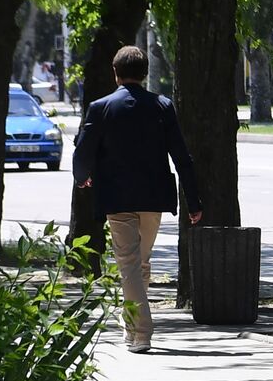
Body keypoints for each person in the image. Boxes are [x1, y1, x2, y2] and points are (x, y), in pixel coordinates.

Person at [72, 45, 203, 354]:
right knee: (136, 263)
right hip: (153, 198)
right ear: (144, 74)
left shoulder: (100, 107)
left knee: (134, 264)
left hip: (117, 198)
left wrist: (82, 177)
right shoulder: (162, 106)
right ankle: (134, 327)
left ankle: (140, 332)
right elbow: (182, 157)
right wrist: (194, 201)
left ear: (115, 73)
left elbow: (83, 150)